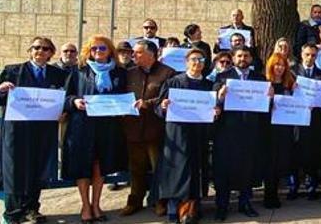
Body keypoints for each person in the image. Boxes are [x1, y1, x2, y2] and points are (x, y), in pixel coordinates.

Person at [0, 37, 69, 224]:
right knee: (14, 170)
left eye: (45, 48)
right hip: (17, 131)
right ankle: (12, 213)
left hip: (43, 130)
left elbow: (64, 98)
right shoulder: (12, 71)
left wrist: (64, 110)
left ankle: (32, 209)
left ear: (51, 53)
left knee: (37, 169)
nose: (40, 51)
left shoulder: (58, 74)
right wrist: (1, 90)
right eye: (36, 47)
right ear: (30, 50)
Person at [63, 35, 129, 223]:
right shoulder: (79, 70)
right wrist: (74, 101)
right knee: (83, 165)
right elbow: (66, 96)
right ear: (89, 51)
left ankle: (96, 205)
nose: (98, 51)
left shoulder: (119, 72)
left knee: (99, 166)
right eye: (94, 48)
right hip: (82, 126)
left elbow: (124, 95)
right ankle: (85, 206)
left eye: (102, 48)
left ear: (110, 51)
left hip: (107, 126)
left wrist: (125, 106)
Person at [155, 49, 215, 224]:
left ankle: (193, 209)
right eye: (193, 59)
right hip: (177, 133)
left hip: (198, 133)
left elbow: (212, 109)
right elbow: (158, 108)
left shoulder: (209, 85)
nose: (197, 63)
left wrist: (215, 111)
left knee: (196, 170)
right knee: (176, 171)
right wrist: (163, 106)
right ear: (186, 62)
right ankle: (174, 210)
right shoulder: (173, 82)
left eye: (201, 59)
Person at [212, 45, 270, 220]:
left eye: (246, 56)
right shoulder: (222, 77)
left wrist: (270, 96)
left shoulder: (259, 79)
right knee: (224, 169)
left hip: (250, 130)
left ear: (251, 59)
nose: (243, 59)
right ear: (233, 58)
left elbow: (265, 107)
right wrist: (220, 96)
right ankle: (222, 205)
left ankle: (245, 203)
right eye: (239, 56)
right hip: (227, 131)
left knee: (247, 168)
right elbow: (214, 103)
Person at [120, 39, 176, 217]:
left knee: (158, 167)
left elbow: (167, 98)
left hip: (155, 129)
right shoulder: (129, 73)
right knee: (136, 168)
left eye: (138, 52)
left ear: (151, 55)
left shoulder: (168, 73)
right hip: (133, 128)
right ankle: (134, 201)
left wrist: (147, 104)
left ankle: (159, 201)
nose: (133, 56)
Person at [290, 45, 321, 200]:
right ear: (301, 54)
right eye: (307, 54)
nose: (310, 58)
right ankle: (294, 186)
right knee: (295, 152)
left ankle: (312, 186)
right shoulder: (292, 72)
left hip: (314, 119)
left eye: (313, 55)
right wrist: (291, 89)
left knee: (312, 152)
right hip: (296, 120)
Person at [261, 53, 296, 209]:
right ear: (271, 66)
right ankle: (268, 195)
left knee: (280, 162)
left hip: (284, 129)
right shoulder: (264, 84)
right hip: (268, 129)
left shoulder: (290, 84)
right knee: (269, 162)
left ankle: (275, 193)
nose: (279, 68)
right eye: (277, 64)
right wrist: (268, 99)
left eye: (282, 65)